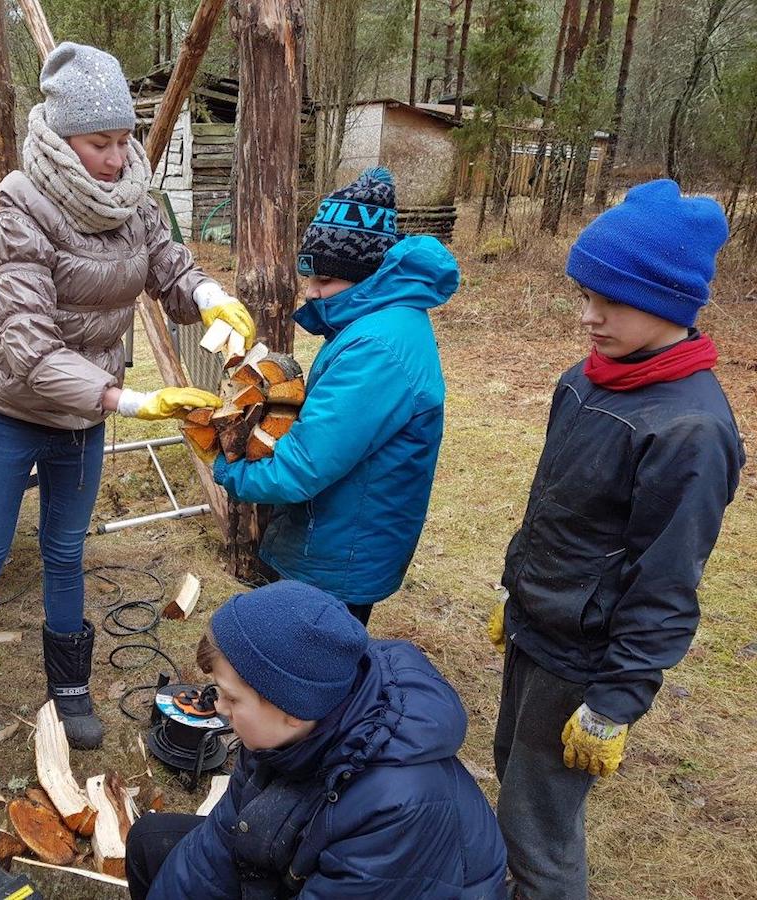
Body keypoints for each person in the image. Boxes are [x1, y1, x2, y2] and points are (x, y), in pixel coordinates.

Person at [0, 41, 254, 778]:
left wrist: (210, 299)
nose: (115, 156)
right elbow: (30, 347)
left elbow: (168, 265)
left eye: (123, 139)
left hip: (83, 417)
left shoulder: (133, 194)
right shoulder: (21, 205)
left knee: (68, 556)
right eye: (100, 142)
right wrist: (130, 399)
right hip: (10, 410)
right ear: (61, 137)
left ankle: (70, 691)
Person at [487, 180, 745, 900]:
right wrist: (517, 588)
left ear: (669, 300)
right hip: (538, 626)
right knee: (514, 773)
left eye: (611, 301)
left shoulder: (691, 432)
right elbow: (553, 509)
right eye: (584, 295)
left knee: (539, 828)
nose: (589, 317)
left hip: (586, 655)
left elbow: (666, 580)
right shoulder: (586, 379)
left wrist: (614, 702)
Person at [126, 581, 507, 899]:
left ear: (291, 709)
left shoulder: (396, 807)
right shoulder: (282, 726)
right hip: (304, 864)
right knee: (150, 842)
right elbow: (218, 845)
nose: (220, 707)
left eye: (232, 697)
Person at [213, 167, 458, 624]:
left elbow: (304, 467)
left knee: (310, 672)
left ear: (364, 275)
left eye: (324, 280)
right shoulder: (377, 322)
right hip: (341, 534)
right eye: (309, 275)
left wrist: (227, 466)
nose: (310, 291)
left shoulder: (377, 348)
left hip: (340, 549)